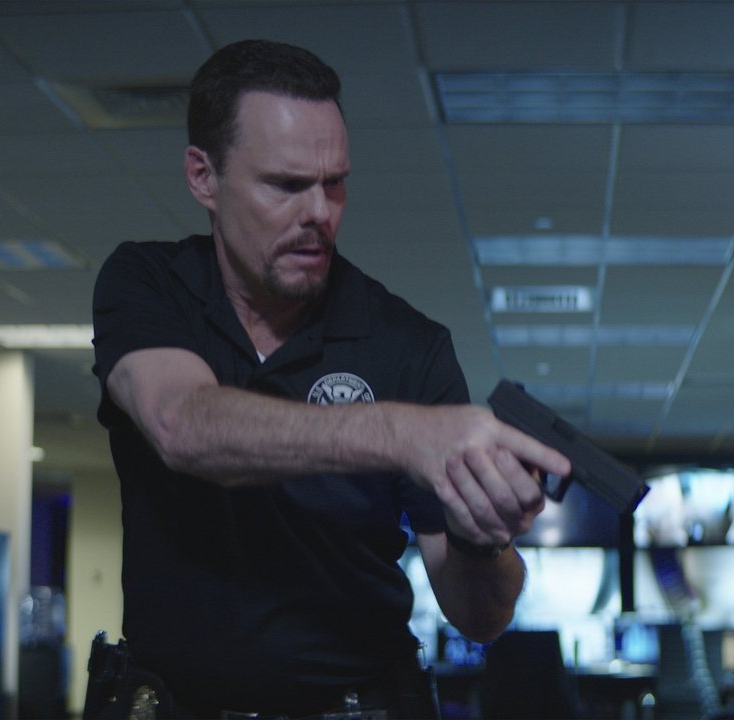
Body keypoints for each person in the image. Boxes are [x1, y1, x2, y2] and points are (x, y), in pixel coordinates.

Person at [89, 38, 570, 719]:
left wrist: (481, 537)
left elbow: (480, 618)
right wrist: (400, 434)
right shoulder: (150, 285)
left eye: (334, 183)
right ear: (203, 177)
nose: (320, 211)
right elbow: (181, 424)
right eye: (287, 185)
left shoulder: (407, 346)